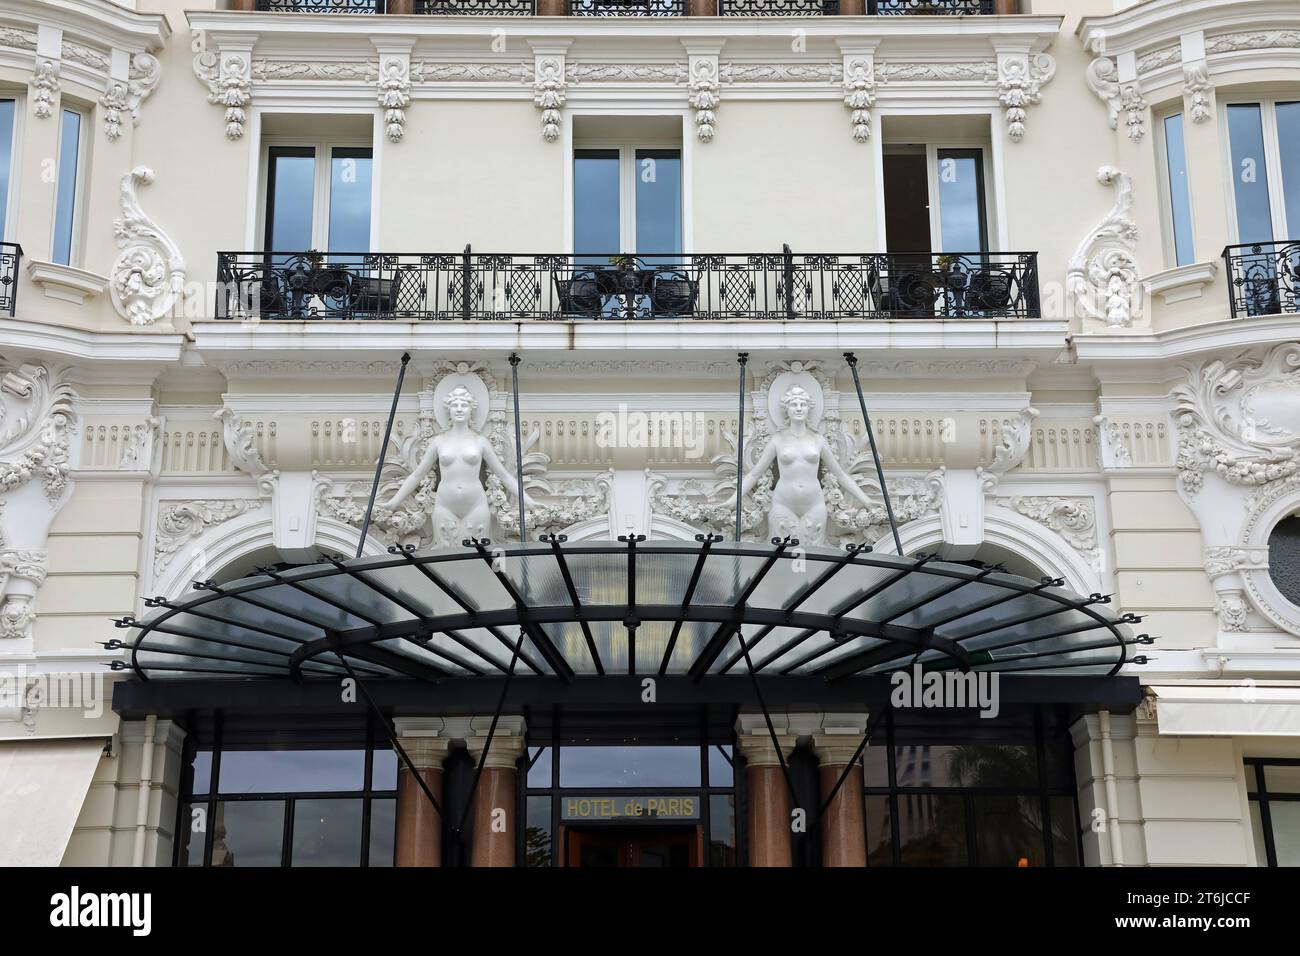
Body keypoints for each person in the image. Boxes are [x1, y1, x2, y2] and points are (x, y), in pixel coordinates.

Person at [382, 385, 536, 546]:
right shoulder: (439, 441)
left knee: (480, 556)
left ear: (471, 409)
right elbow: (417, 475)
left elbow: (503, 475)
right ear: (449, 409)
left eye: (464, 405)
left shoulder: (480, 441)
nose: (460, 409)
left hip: (476, 504)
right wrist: (394, 501)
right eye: (455, 405)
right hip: (444, 505)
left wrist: (529, 501)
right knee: (445, 555)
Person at [740, 384, 872, 545]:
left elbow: (840, 474)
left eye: (803, 404)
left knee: (813, 558)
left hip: (814, 504)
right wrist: (733, 500)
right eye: (794, 404)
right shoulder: (778, 439)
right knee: (778, 557)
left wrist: (866, 500)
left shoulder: (818, 440)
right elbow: (755, 473)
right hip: (783, 504)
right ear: (786, 409)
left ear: (809, 408)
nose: (799, 408)